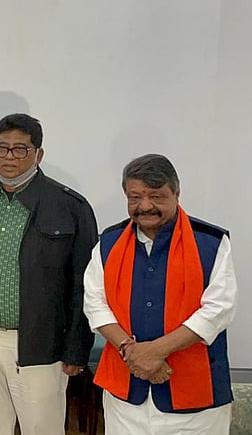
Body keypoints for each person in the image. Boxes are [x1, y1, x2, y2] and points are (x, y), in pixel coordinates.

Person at [0, 113, 97, 435]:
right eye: (2, 148)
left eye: (20, 149)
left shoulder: (68, 205)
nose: (9, 157)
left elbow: (84, 284)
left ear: (38, 154)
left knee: (41, 427)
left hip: (37, 343)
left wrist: (77, 348)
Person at [84, 154, 236, 434]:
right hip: (125, 398)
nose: (145, 206)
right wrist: (130, 351)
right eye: (135, 197)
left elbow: (218, 310)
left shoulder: (211, 243)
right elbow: (95, 303)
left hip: (195, 403)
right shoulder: (109, 242)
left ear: (176, 194)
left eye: (156, 196)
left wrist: (154, 352)